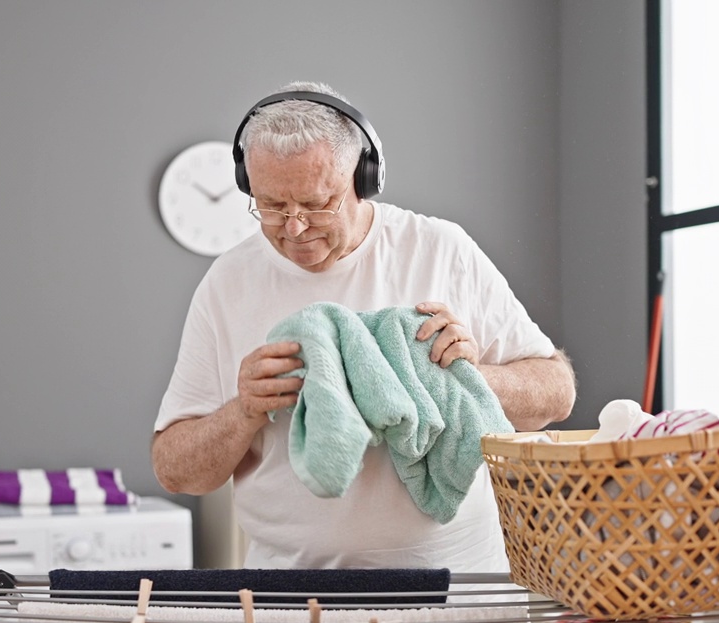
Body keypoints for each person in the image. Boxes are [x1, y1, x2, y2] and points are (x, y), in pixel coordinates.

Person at [152, 81, 575, 572]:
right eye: (271, 205)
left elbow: (556, 393)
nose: (293, 227)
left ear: (364, 178)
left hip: (458, 584)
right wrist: (244, 409)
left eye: (315, 204)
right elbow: (174, 469)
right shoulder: (228, 280)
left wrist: (468, 374)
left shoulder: (440, 249)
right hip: (288, 591)